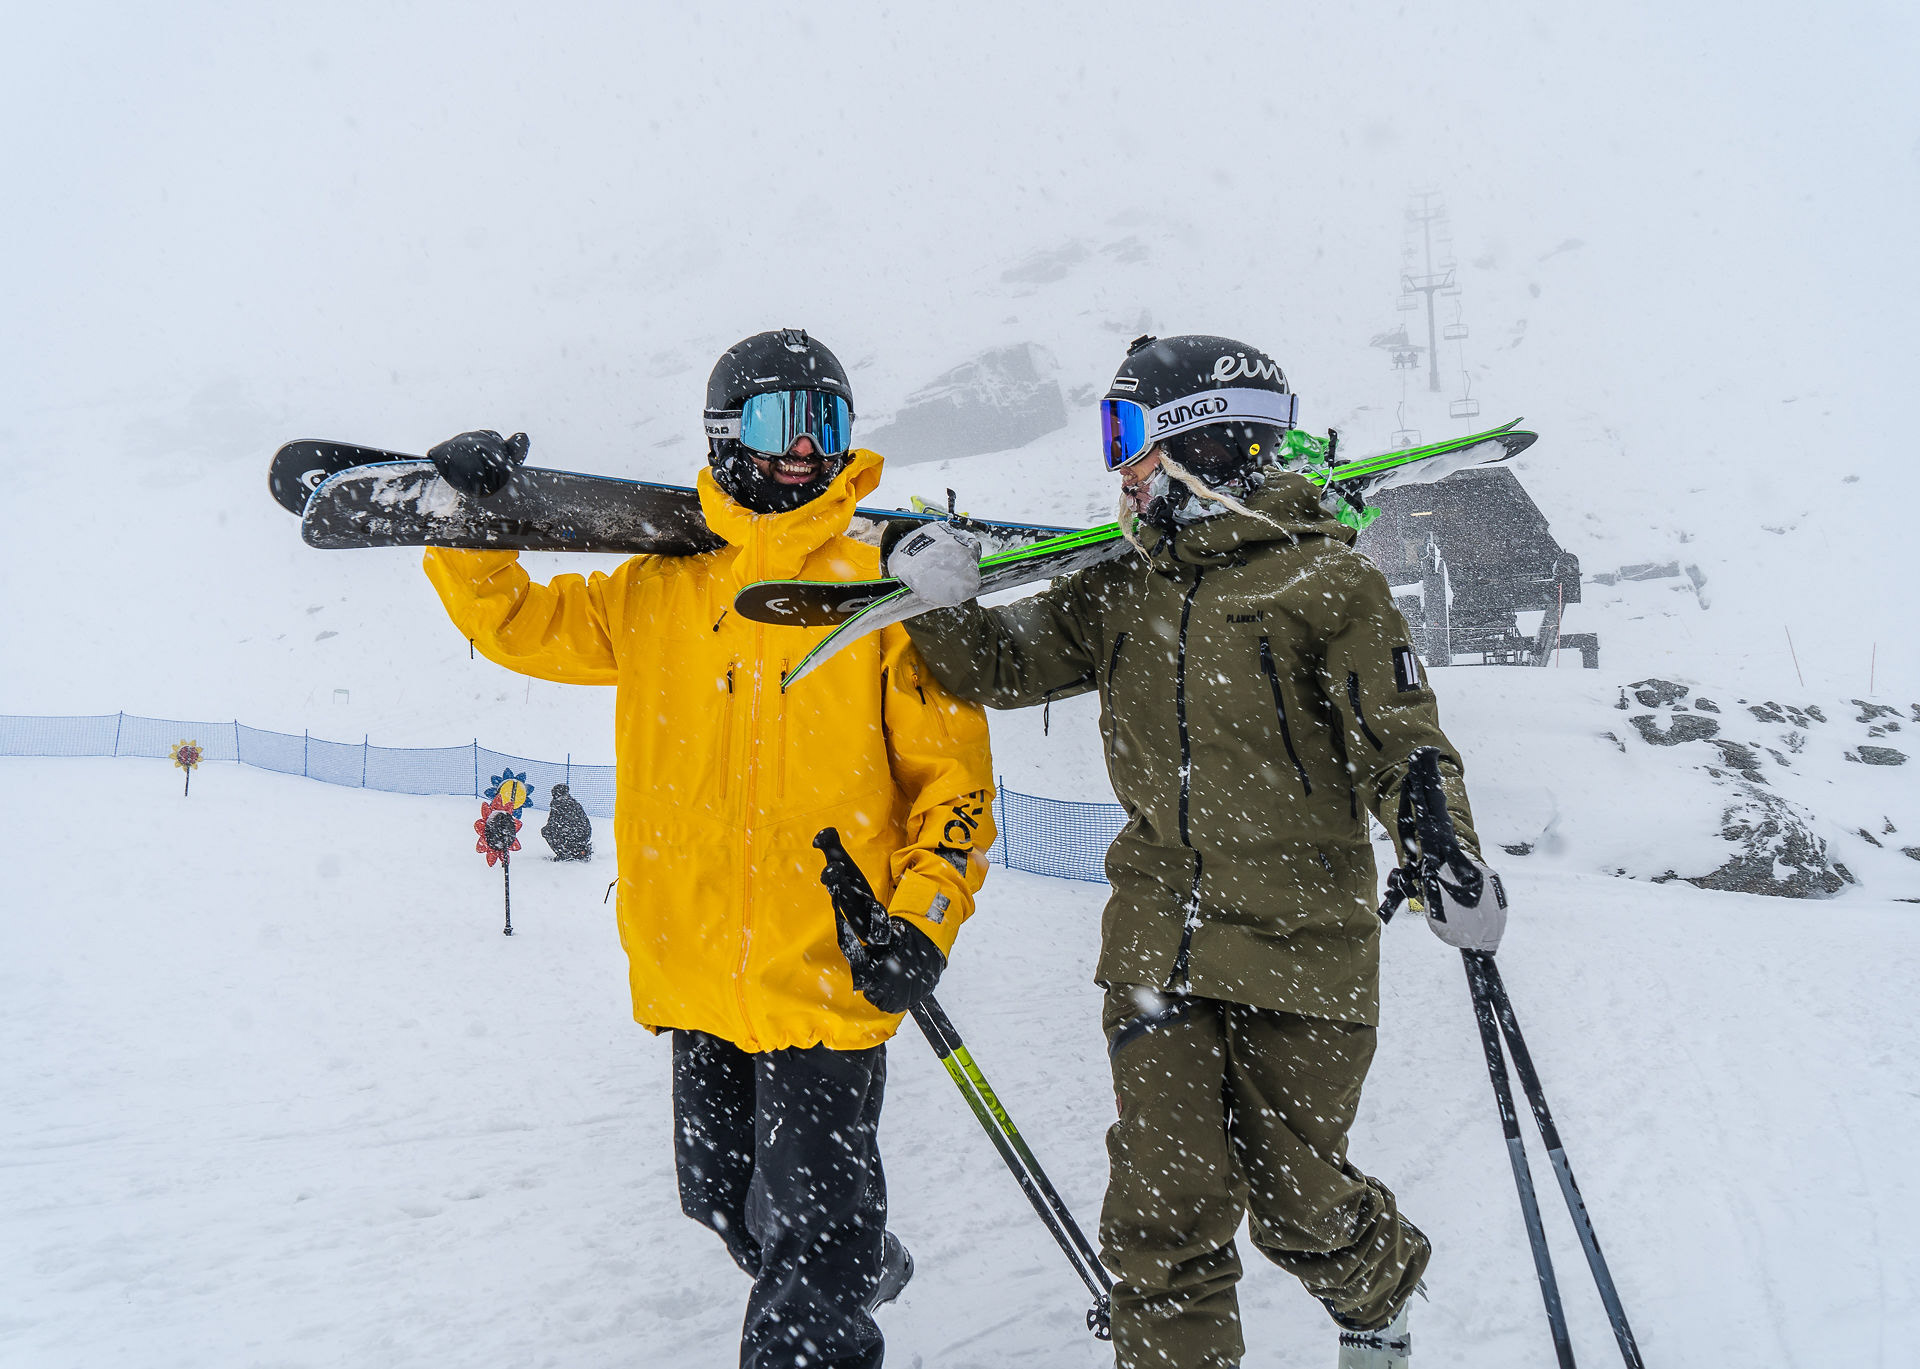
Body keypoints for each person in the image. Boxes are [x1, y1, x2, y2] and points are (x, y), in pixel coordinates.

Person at [883, 334, 1507, 1369]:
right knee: (1162, 1210)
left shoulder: (1328, 585)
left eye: (1125, 436)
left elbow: (1403, 742)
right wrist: (942, 601)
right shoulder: (1121, 588)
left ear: (1198, 444)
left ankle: (1377, 1291)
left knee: (1301, 1201)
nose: (1117, 465)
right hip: (1157, 940)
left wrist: (1442, 844)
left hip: (1305, 944)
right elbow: (1003, 664)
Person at [421, 328, 997, 1369]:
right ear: (728, 435)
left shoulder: (882, 589)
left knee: (806, 1267)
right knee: (726, 1207)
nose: (805, 450)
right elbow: (514, 622)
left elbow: (956, 794)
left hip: (829, 974)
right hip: (694, 975)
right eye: (783, 422)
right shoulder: (657, 592)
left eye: (828, 424)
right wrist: (478, 518)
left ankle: (834, 1274)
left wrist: (920, 922)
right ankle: (853, 1260)